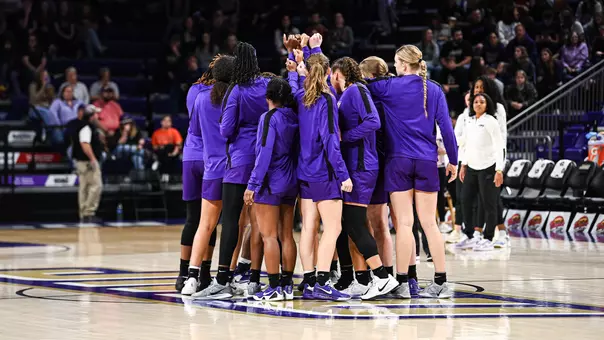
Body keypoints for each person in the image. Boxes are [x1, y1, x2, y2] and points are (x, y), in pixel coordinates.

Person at [365, 45, 458, 298]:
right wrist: (453, 160)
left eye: (396, 63)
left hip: (398, 162)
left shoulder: (389, 87)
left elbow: (362, 84)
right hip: (427, 161)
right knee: (430, 224)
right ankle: (441, 281)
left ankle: (403, 283)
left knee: (404, 224)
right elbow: (447, 130)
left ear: (405, 65)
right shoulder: (435, 90)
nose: (394, 67)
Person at [189, 42, 270, 299]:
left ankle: (209, 277)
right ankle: (251, 276)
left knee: (221, 222)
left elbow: (220, 130)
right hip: (262, 160)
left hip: (230, 163)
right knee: (257, 224)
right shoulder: (266, 87)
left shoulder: (225, 93)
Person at [327, 57, 398, 299]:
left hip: (361, 167)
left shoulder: (356, 90)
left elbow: (373, 121)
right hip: (355, 166)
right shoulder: (346, 94)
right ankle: (363, 279)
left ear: (338, 73)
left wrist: (345, 136)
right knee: (348, 225)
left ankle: (381, 276)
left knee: (355, 223)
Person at [287, 50, 352, 301]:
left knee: (308, 229)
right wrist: (343, 174)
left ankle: (309, 278)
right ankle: (323, 282)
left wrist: (293, 71)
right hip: (323, 172)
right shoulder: (325, 100)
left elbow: (293, 88)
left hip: (304, 171)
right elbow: (330, 140)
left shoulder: (301, 97)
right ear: (327, 72)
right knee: (333, 227)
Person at [181, 55, 235, 296]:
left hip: (205, 162)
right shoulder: (235, 97)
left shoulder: (198, 95)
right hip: (230, 166)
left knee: (201, 222)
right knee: (232, 224)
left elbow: (194, 129)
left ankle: (188, 276)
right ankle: (222, 276)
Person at [243, 77, 299, 301]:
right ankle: (287, 284)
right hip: (291, 180)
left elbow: (264, 152)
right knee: (287, 234)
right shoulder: (294, 116)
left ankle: (274, 285)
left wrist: (253, 184)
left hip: (271, 180)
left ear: (268, 98)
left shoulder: (268, 118)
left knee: (269, 236)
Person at [358, 56, 395, 284]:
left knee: (368, 223)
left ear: (370, 76)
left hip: (372, 162)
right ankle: (388, 273)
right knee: (382, 223)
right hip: (388, 160)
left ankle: (377, 275)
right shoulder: (392, 94)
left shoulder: (368, 95)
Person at [457, 93, 504, 251]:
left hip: (489, 167)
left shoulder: (491, 122)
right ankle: (469, 235)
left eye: (482, 102)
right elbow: (465, 144)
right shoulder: (469, 121)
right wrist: (463, 165)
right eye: (475, 102)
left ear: (487, 104)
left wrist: (499, 169)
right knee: (465, 200)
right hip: (471, 167)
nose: (478, 104)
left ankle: (488, 238)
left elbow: (499, 146)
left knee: (489, 204)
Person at [67, 104, 103, 222]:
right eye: (96, 114)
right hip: (87, 162)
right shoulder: (87, 127)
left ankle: (83, 214)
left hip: (81, 161)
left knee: (84, 187)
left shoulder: (81, 125)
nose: (98, 116)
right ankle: (89, 212)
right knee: (96, 185)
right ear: (92, 116)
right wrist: (93, 159)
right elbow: (85, 144)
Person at [439, 28, 472, 93]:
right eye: (457, 35)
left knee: (463, 70)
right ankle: (441, 90)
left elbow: (468, 58)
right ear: (453, 36)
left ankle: (464, 91)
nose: (460, 37)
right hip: (449, 65)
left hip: (461, 64)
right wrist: (447, 65)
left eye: (460, 35)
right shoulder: (447, 45)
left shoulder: (466, 44)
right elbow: (442, 58)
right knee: (439, 70)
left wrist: (456, 65)